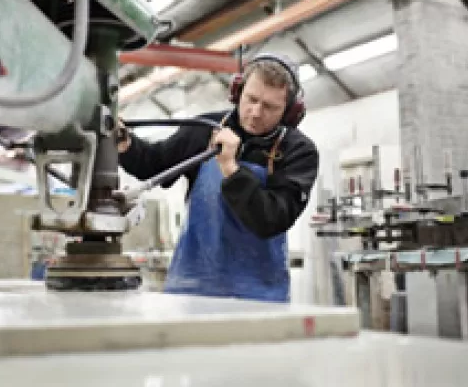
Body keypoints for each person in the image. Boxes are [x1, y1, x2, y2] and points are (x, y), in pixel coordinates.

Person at [117, 54, 319, 302]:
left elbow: (271, 219)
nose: (256, 112)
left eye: (270, 107)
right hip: (192, 286)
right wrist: (125, 143)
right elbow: (154, 164)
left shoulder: (298, 152)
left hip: (259, 293)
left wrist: (231, 169)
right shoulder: (205, 129)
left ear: (289, 112)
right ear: (237, 92)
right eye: (251, 99)